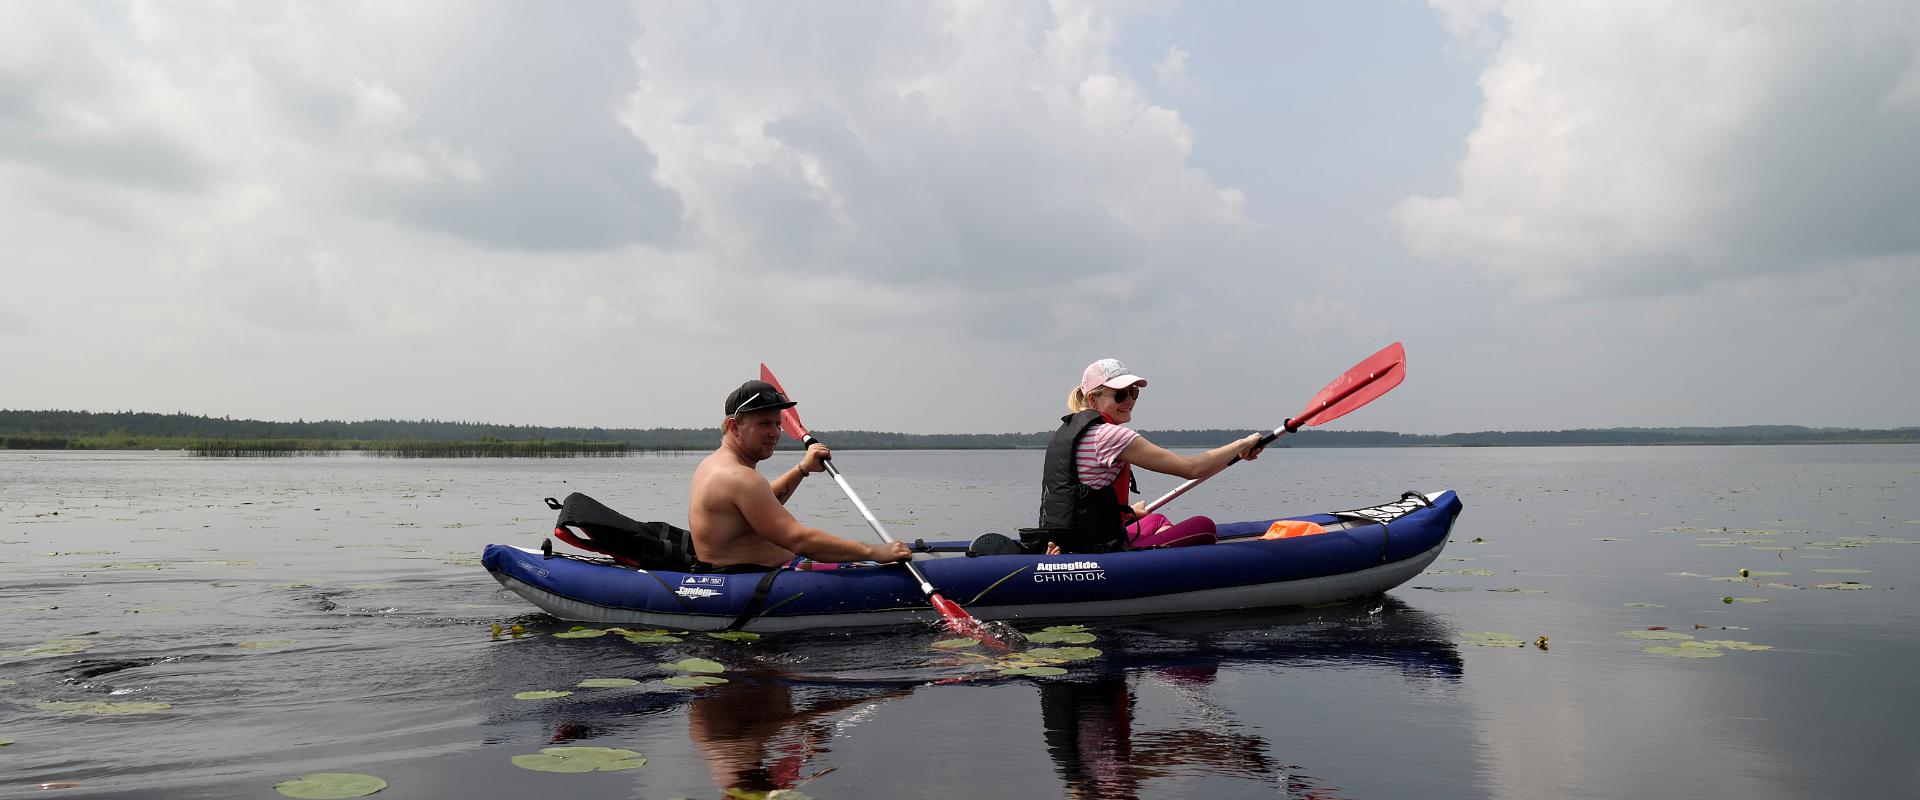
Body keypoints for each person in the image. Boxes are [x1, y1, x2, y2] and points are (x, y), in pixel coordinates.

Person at [1029, 358, 1267, 554]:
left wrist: (1126, 513)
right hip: (1097, 549)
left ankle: (1161, 555)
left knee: (1158, 520)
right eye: (1120, 395)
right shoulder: (1110, 436)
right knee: (1203, 527)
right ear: (1093, 399)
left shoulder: (1072, 431)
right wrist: (1241, 443)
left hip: (1070, 538)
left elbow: (1082, 501)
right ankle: (1153, 564)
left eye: (1133, 393)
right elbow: (1192, 468)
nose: (1130, 401)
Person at [689, 379, 914, 570]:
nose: (775, 433)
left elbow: (760, 505)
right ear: (734, 426)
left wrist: (802, 469)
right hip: (753, 578)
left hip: (743, 570)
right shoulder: (740, 477)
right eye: (764, 423)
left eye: (778, 424)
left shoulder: (712, 465)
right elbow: (798, 539)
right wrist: (874, 551)